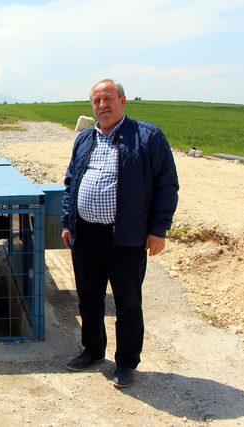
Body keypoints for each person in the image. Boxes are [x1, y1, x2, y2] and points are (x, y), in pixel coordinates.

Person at [61, 79, 179, 388]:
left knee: (127, 302)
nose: (102, 105)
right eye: (97, 101)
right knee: (89, 298)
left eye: (108, 98)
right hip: (85, 235)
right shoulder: (85, 139)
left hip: (125, 236)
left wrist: (158, 229)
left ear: (123, 101)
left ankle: (127, 363)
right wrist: (66, 222)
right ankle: (93, 350)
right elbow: (71, 182)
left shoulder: (147, 137)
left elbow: (167, 185)